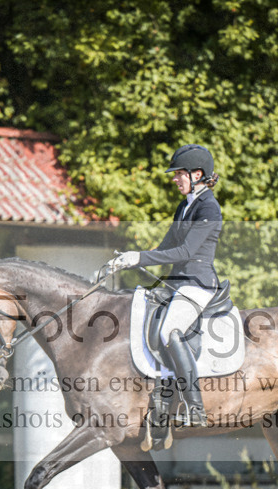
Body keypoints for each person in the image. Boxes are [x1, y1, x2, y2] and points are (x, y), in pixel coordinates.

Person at [105, 144, 223, 427]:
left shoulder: (209, 208)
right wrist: (130, 259)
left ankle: (195, 408)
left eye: (179, 174)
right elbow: (167, 246)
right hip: (176, 283)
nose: (174, 179)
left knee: (171, 330)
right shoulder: (185, 205)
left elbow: (185, 252)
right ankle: (159, 393)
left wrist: (140, 258)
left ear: (198, 174)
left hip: (197, 283)